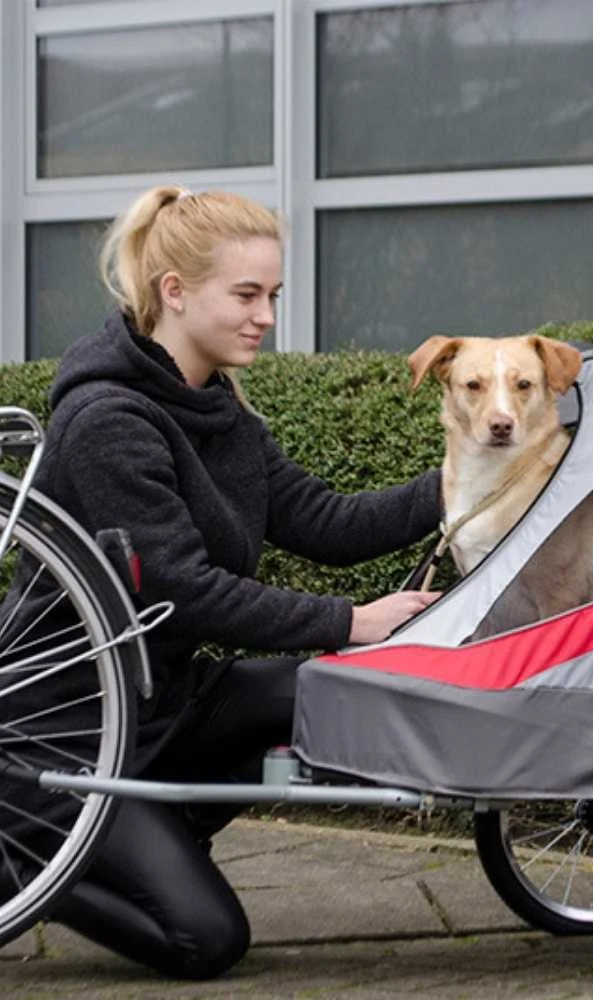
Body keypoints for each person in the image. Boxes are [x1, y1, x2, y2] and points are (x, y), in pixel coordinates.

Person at [10, 186, 442, 979]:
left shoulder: (221, 413)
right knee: (206, 940)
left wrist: (470, 481)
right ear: (174, 291)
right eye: (246, 294)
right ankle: (30, 866)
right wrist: (351, 621)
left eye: (271, 295)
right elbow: (184, 588)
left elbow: (325, 522)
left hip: (161, 705)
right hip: (66, 744)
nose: (266, 316)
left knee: (321, 694)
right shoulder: (109, 421)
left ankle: (155, 841)